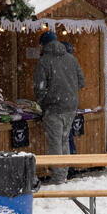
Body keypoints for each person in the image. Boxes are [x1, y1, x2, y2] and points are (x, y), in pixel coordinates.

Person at [34, 30, 85, 184]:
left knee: (55, 142)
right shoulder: (72, 59)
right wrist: (68, 90)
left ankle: (58, 177)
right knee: (64, 140)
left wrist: (42, 102)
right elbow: (81, 82)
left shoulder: (43, 61)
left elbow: (39, 88)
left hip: (54, 108)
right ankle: (64, 173)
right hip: (70, 107)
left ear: (44, 45)